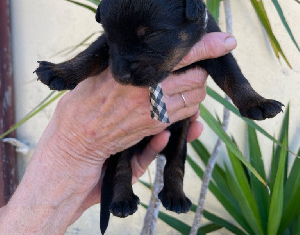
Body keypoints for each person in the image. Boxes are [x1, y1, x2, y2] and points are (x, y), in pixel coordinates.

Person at [0, 32, 237, 235]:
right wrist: (74, 148)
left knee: (179, 131)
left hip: (165, 126)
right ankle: (126, 186)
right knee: (133, 145)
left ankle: (168, 183)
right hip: (134, 141)